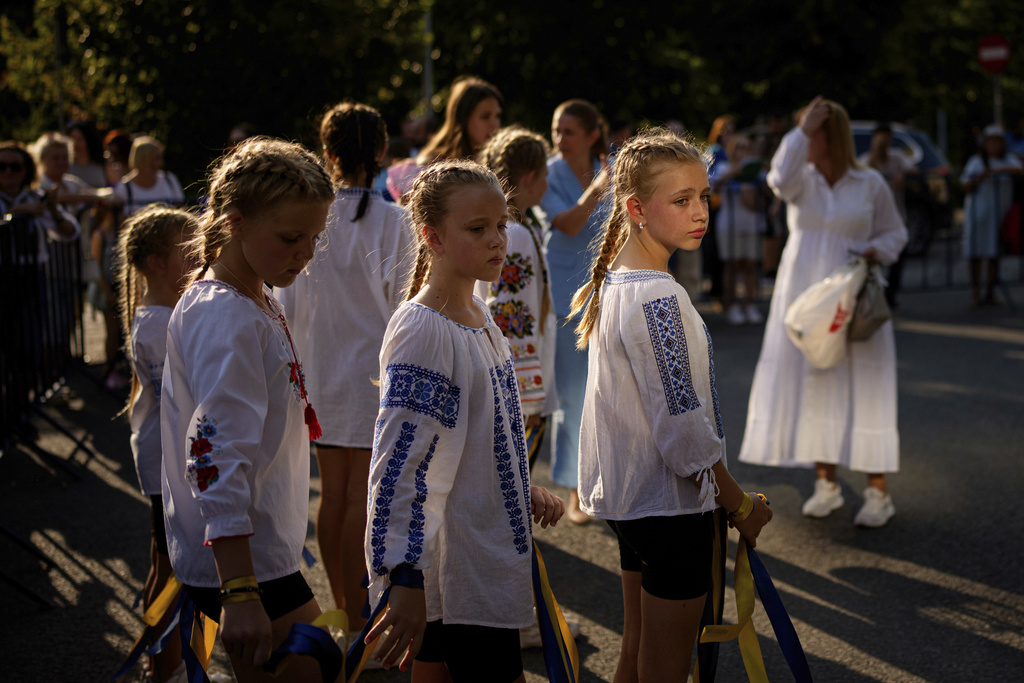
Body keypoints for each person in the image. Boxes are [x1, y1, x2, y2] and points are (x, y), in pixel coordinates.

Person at [571, 128, 772, 681]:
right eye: (680, 200)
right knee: (665, 669)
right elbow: (684, 430)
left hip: (633, 502)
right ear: (635, 208)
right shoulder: (658, 296)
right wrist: (739, 506)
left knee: (637, 652)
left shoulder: (620, 278)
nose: (699, 211)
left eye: (703, 196)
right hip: (667, 509)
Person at [363, 159, 565, 680]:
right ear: (431, 235)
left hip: (483, 552)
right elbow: (401, 465)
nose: (499, 240)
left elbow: (482, 437)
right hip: (453, 568)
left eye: (501, 225)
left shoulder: (479, 313)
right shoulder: (425, 330)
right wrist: (404, 576)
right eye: (478, 229)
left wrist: (520, 489)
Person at [160, 137, 334, 683]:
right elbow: (213, 452)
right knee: (314, 663)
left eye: (314, 238)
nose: (305, 252)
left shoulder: (251, 293)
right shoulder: (227, 315)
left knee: (311, 662)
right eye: (290, 237)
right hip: (242, 559)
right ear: (234, 223)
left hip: (256, 550)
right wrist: (238, 591)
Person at [738, 97, 908, 528]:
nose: (807, 140)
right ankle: (826, 484)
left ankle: (878, 492)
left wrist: (877, 251)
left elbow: (895, 232)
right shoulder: (800, 181)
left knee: (865, 383)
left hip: (854, 297)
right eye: (804, 132)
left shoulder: (869, 182)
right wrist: (799, 130)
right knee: (815, 381)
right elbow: (776, 177)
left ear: (832, 136)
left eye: (814, 132)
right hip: (807, 299)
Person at [277, 101, 412, 638]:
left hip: (319, 369)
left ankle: (345, 617)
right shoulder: (394, 221)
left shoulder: (309, 217)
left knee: (333, 496)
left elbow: (288, 297)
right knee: (359, 499)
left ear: (326, 153)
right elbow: (405, 304)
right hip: (372, 373)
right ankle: (359, 625)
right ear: (381, 151)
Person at [116, 204, 198, 683]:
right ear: (156, 264)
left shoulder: (165, 315)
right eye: (186, 250)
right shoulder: (158, 323)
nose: (198, 255)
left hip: (166, 456)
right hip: (167, 460)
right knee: (169, 569)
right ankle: (165, 669)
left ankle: (165, 665)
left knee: (165, 563)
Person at [540, 98, 612, 524]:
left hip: (607, 289)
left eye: (568, 131)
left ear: (590, 135)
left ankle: (611, 478)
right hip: (565, 290)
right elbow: (566, 223)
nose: (559, 140)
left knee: (609, 388)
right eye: (556, 130)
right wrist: (599, 186)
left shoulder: (614, 169)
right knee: (571, 392)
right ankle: (575, 487)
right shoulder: (548, 172)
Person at [476, 125, 558, 470]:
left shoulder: (514, 229)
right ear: (529, 177)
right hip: (520, 392)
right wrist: (528, 393)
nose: (548, 184)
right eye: (545, 175)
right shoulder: (517, 235)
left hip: (509, 384)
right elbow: (512, 315)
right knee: (513, 483)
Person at [386, 76, 503, 200]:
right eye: (485, 116)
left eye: (497, 116)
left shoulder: (499, 164)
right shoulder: (431, 168)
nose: (495, 125)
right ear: (463, 118)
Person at [961, 123, 1023, 307]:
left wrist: (996, 170)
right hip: (978, 215)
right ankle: (975, 292)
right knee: (975, 253)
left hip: (999, 216)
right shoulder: (976, 162)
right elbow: (964, 183)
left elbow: (1019, 169)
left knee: (994, 253)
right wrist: (980, 177)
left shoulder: (1009, 160)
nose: (993, 146)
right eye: (990, 142)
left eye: (997, 142)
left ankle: (990, 292)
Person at [859, 122, 915, 308]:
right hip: (874, 222)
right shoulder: (866, 161)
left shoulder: (897, 158)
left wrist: (902, 175)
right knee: (874, 259)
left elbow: (913, 167)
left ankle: (890, 294)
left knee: (897, 257)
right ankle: (874, 296)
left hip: (896, 216)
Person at [710, 133, 765, 325]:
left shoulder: (755, 170)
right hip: (729, 222)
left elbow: (767, 191)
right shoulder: (725, 167)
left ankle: (750, 304)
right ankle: (731, 304)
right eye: (739, 147)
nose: (743, 151)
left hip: (750, 221)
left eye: (746, 147)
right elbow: (713, 189)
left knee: (750, 264)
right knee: (732, 265)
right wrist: (733, 172)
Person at [113, 136, 185, 216]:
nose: (161, 163)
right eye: (157, 158)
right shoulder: (125, 188)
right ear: (143, 160)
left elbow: (181, 208)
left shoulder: (169, 179)